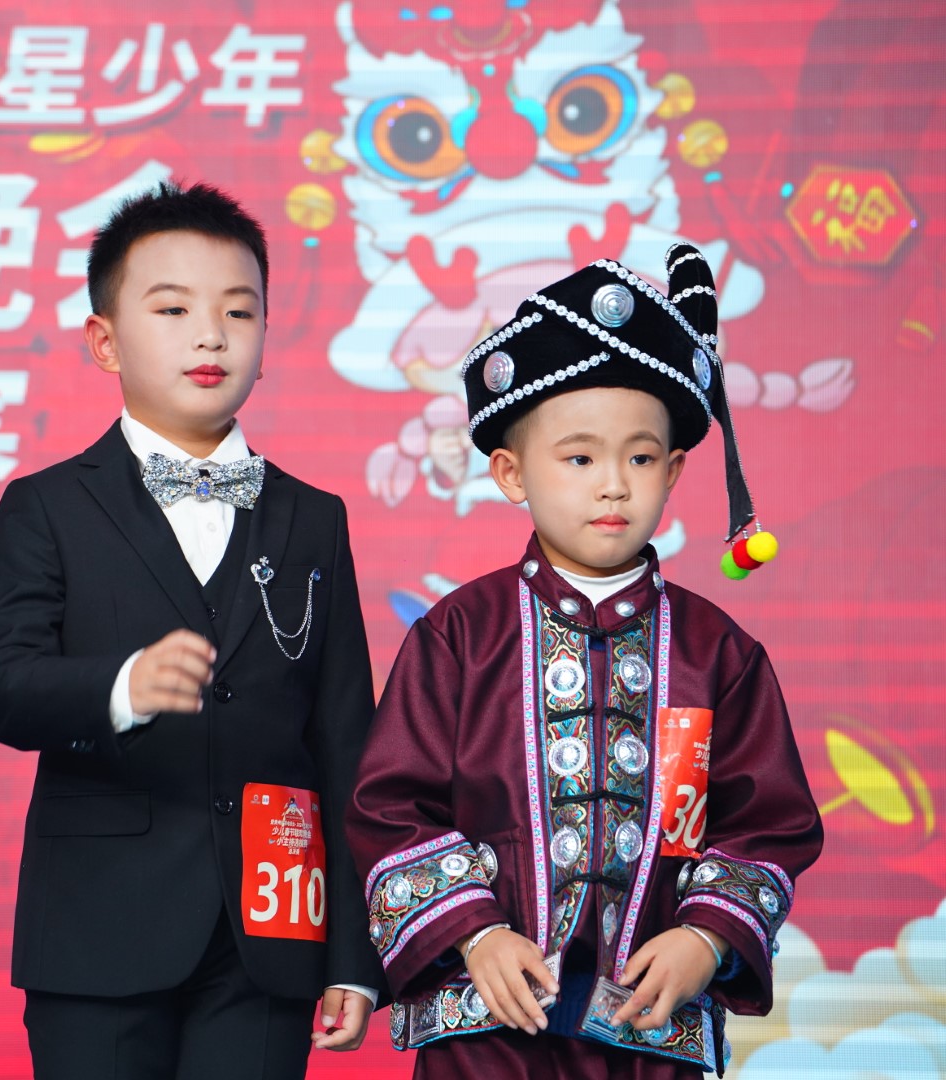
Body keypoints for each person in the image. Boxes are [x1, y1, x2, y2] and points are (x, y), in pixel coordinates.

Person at [346, 246, 823, 1077]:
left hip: (650, 1031)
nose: (613, 485)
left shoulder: (718, 652)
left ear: (674, 471)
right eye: (579, 458)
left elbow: (768, 822)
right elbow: (389, 805)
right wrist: (476, 932)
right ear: (510, 473)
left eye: (640, 458)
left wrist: (707, 938)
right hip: (483, 1031)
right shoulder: (459, 635)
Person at [0, 181, 382, 1080]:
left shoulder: (315, 518)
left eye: (239, 311)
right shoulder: (46, 505)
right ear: (104, 341)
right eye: (173, 309)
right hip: (98, 926)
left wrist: (354, 951)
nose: (211, 336)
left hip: (272, 928)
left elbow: (345, 740)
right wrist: (119, 688)